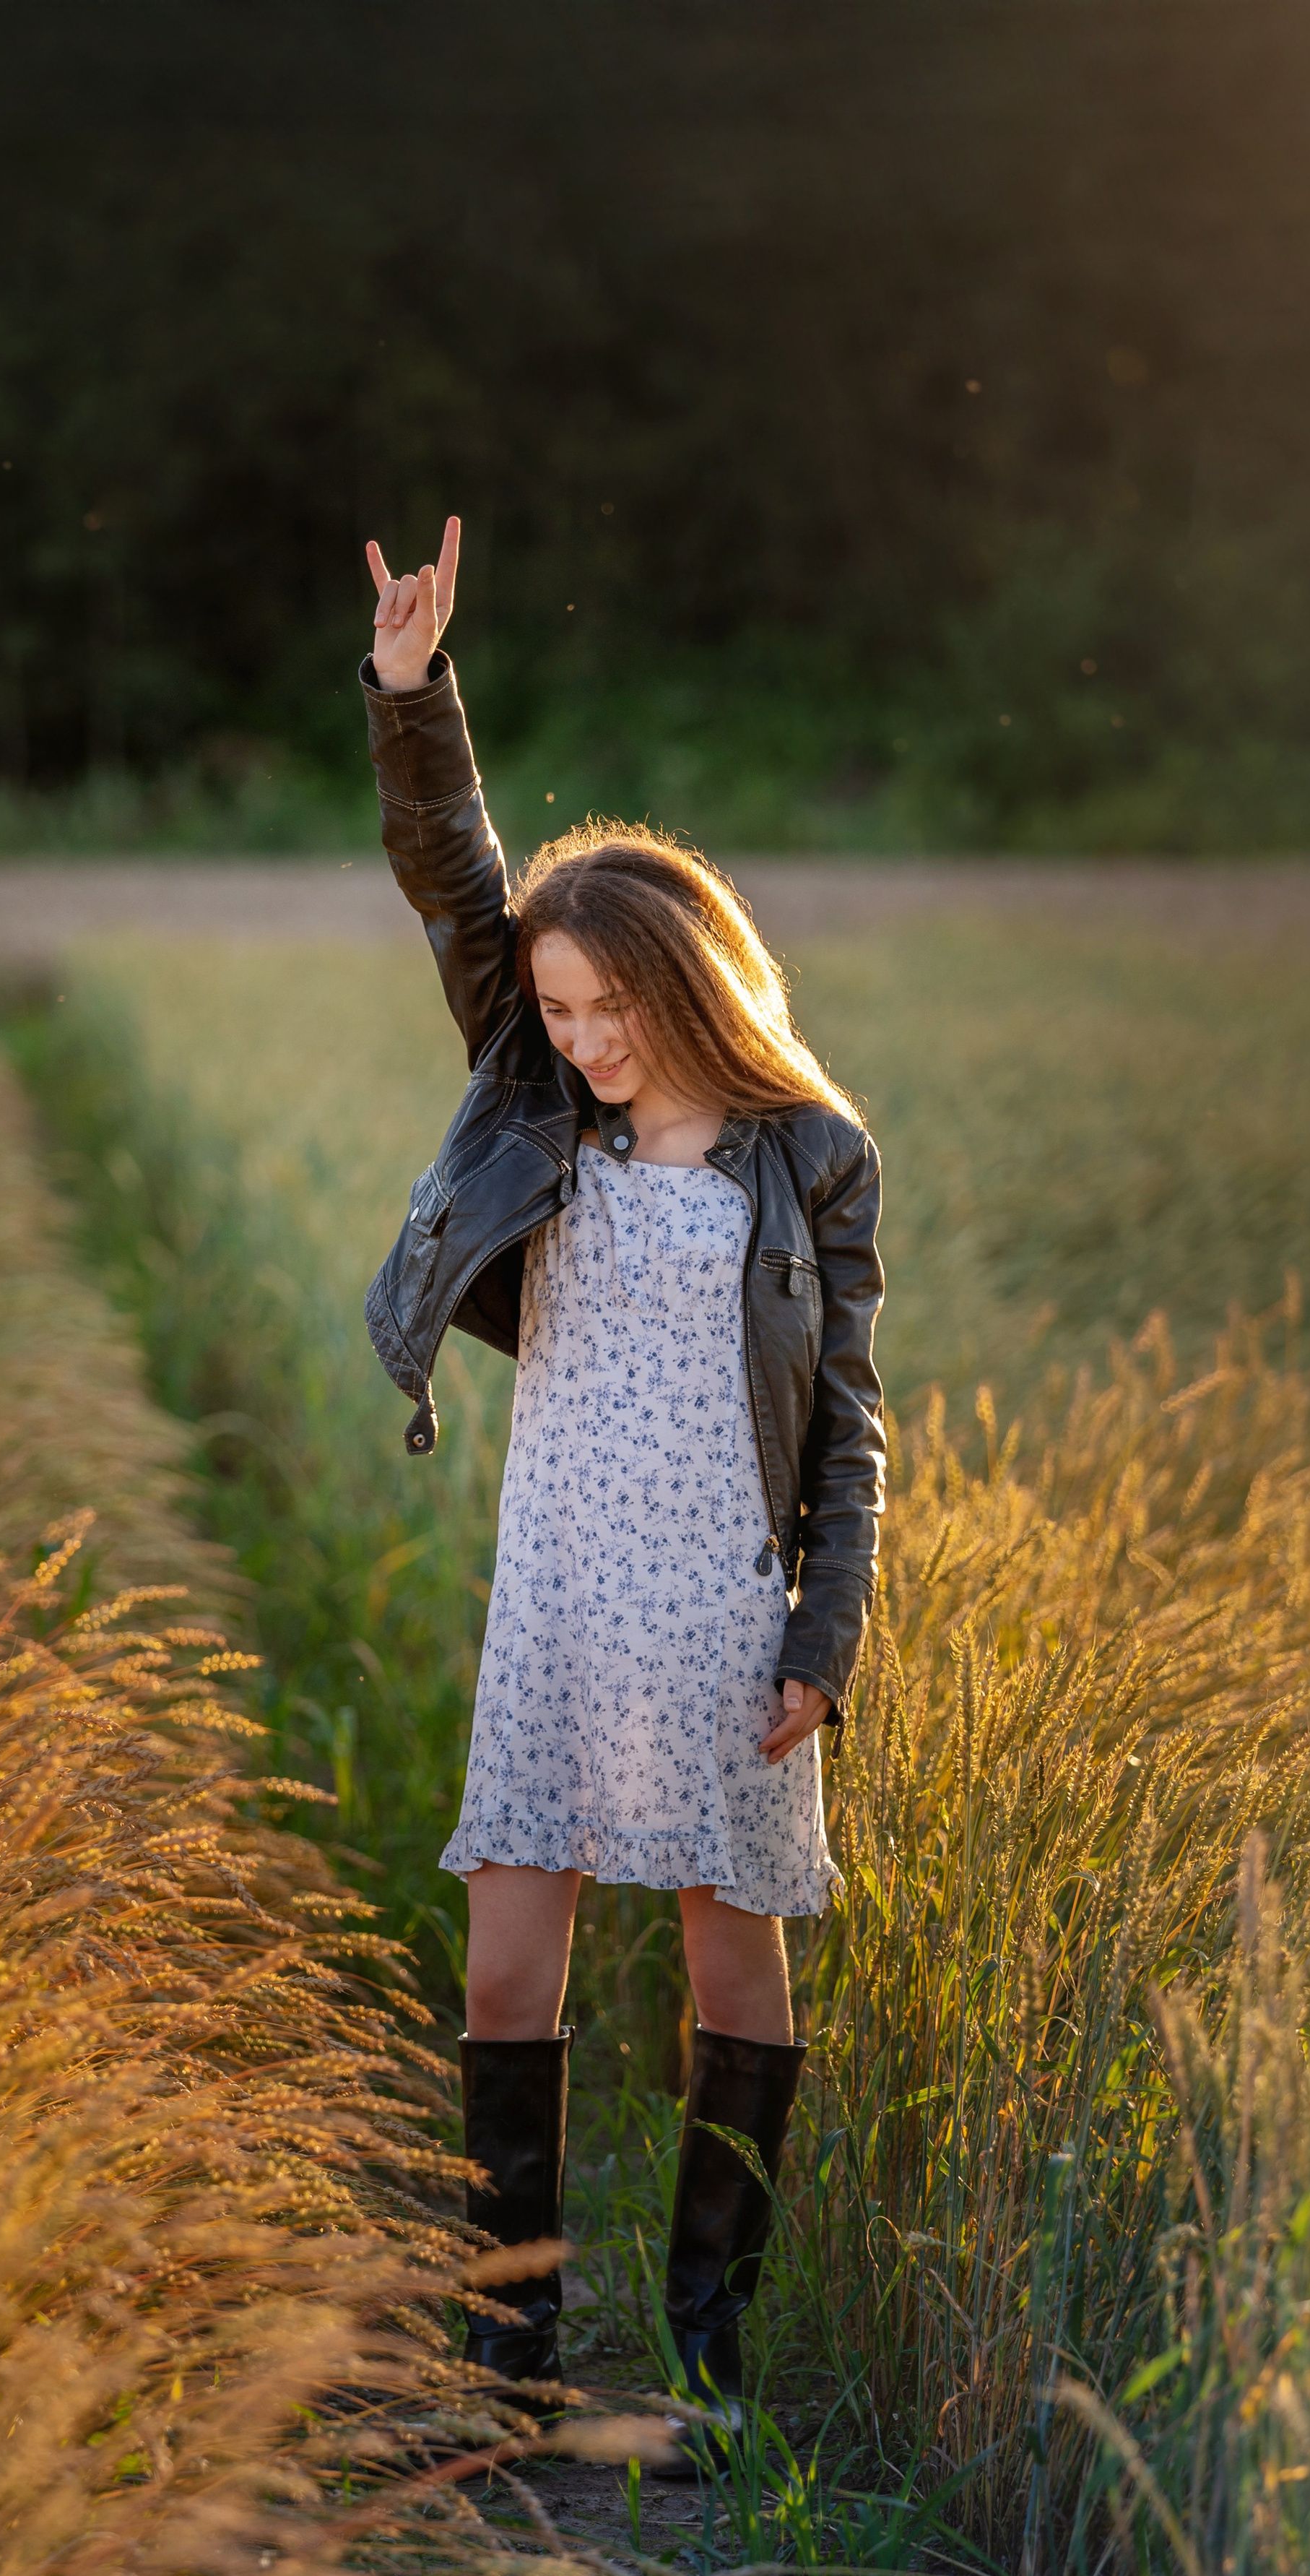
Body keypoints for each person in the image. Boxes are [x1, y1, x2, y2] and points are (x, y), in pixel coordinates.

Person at [359, 517, 885, 2471]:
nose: (574, 1040)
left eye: (604, 1011)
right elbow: (457, 890)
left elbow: (850, 1422)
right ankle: (514, 2371)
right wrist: (417, 696)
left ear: (686, 981)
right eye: (555, 1011)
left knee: (733, 1955)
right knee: (513, 1954)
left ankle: (710, 2364)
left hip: (731, 1604)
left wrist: (826, 1638)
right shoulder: (529, 1086)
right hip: (564, 1585)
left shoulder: (807, 1157)